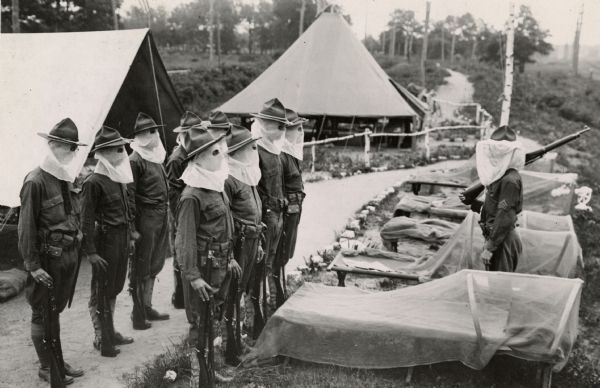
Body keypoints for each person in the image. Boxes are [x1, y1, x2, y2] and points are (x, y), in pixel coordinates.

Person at [18, 118, 86, 384]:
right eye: (70, 148)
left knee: (53, 311)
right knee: (41, 311)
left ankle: (56, 358)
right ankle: (47, 366)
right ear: (54, 146)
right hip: (46, 260)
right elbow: (26, 228)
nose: (73, 153)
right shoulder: (35, 181)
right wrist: (33, 266)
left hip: (64, 256)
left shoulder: (62, 177)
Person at [174, 126, 240, 385]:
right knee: (199, 325)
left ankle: (209, 373)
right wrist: (192, 276)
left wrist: (232, 257)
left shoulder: (216, 186)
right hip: (203, 270)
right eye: (215, 152)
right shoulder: (191, 196)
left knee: (212, 321)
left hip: (220, 266)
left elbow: (227, 228)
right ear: (198, 159)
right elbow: (184, 241)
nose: (221, 156)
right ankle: (198, 380)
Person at [80, 126, 135, 357]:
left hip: (120, 239)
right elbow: (85, 220)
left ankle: (110, 330)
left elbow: (124, 210)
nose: (123, 154)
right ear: (105, 153)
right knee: (101, 291)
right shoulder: (94, 182)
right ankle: (102, 338)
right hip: (105, 241)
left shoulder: (118, 177)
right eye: (118, 150)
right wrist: (91, 252)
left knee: (114, 287)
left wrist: (130, 235)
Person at [223, 125, 263, 365]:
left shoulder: (247, 173)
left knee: (240, 293)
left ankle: (238, 340)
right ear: (238, 152)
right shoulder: (229, 178)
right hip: (238, 244)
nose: (254, 149)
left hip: (251, 240)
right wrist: (230, 256)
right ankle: (231, 348)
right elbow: (225, 222)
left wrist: (258, 242)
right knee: (232, 296)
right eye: (251, 146)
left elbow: (254, 212)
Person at [250, 98, 290, 334]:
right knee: (260, 266)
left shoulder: (275, 149)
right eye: (278, 125)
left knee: (271, 261)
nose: (282, 130)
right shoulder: (256, 150)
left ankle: (265, 310)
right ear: (265, 124)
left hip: (279, 212)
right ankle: (256, 315)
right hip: (266, 215)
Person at [128, 112, 170, 329]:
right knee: (141, 266)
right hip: (146, 217)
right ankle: (138, 313)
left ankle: (147, 305)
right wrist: (133, 229)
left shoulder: (156, 155)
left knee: (155, 263)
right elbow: (130, 196)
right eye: (148, 132)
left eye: (154, 131)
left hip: (161, 215)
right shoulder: (135, 160)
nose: (154, 135)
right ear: (140, 136)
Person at [167, 111, 205, 309]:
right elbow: (173, 193)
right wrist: (179, 220)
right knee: (181, 255)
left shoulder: (193, 152)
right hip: (181, 212)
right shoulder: (177, 158)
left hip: (193, 210)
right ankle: (180, 297)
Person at [476, 125, 524, 272]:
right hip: (497, 239)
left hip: (502, 241)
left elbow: (504, 216)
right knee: (495, 285)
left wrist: (490, 248)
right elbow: (493, 207)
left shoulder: (509, 180)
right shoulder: (501, 176)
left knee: (500, 288)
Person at [274, 108, 307, 306]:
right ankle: (277, 297)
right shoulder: (281, 156)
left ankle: (279, 293)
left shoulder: (291, 152)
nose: (301, 131)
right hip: (286, 213)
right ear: (286, 130)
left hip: (294, 211)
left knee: (286, 254)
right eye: (297, 128)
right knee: (280, 255)